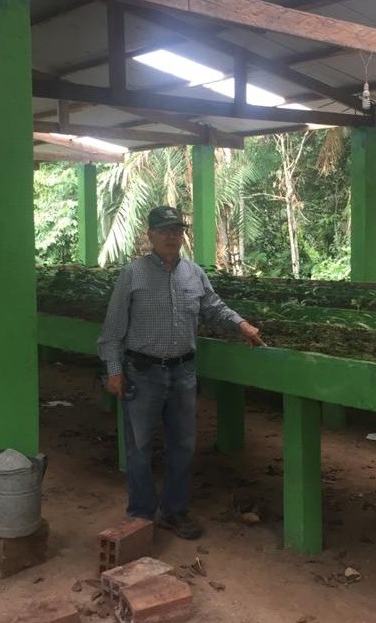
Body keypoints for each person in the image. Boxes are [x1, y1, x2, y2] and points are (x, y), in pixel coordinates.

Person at [97, 205, 265, 540]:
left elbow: (213, 307)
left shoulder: (194, 273)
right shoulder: (133, 274)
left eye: (177, 230)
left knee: (183, 445)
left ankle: (174, 512)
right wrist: (114, 371)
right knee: (139, 447)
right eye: (164, 230)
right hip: (142, 372)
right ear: (150, 235)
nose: (171, 236)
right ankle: (141, 515)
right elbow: (112, 329)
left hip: (183, 372)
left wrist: (241, 325)